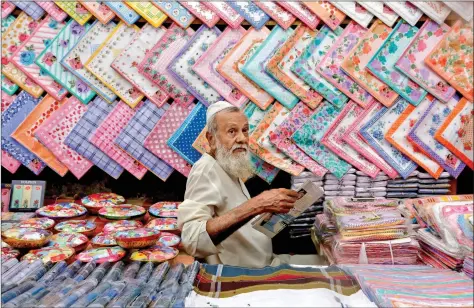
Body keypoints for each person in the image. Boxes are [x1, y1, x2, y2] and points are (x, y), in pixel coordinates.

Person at [178, 101, 325, 268]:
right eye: (232, 131)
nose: (242, 138)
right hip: (244, 275)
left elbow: (235, 219)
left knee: (333, 262)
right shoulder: (205, 170)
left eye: (245, 130)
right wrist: (257, 204)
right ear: (211, 139)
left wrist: (268, 213)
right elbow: (192, 240)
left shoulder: (228, 165)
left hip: (267, 262)